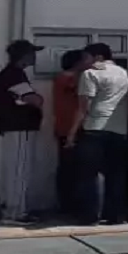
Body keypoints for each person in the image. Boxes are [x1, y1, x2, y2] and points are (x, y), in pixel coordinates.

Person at [66, 43, 128, 225]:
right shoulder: (123, 73)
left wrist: (72, 133)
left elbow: (83, 108)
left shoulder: (89, 74)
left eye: (86, 57)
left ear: (98, 57)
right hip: (119, 129)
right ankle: (115, 215)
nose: (83, 62)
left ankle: (90, 215)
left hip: (94, 128)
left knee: (89, 174)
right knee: (115, 174)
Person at [0, 39, 45, 225]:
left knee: (15, 169)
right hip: (19, 127)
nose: (34, 56)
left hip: (14, 127)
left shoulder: (10, 74)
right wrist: (39, 99)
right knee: (19, 171)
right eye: (32, 53)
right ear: (24, 56)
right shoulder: (14, 75)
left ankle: (10, 207)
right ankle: (16, 213)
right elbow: (34, 99)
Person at [52, 50, 90, 216]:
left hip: (66, 128)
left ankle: (68, 205)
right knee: (72, 170)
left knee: (69, 168)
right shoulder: (69, 79)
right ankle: (71, 205)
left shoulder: (63, 78)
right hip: (71, 129)